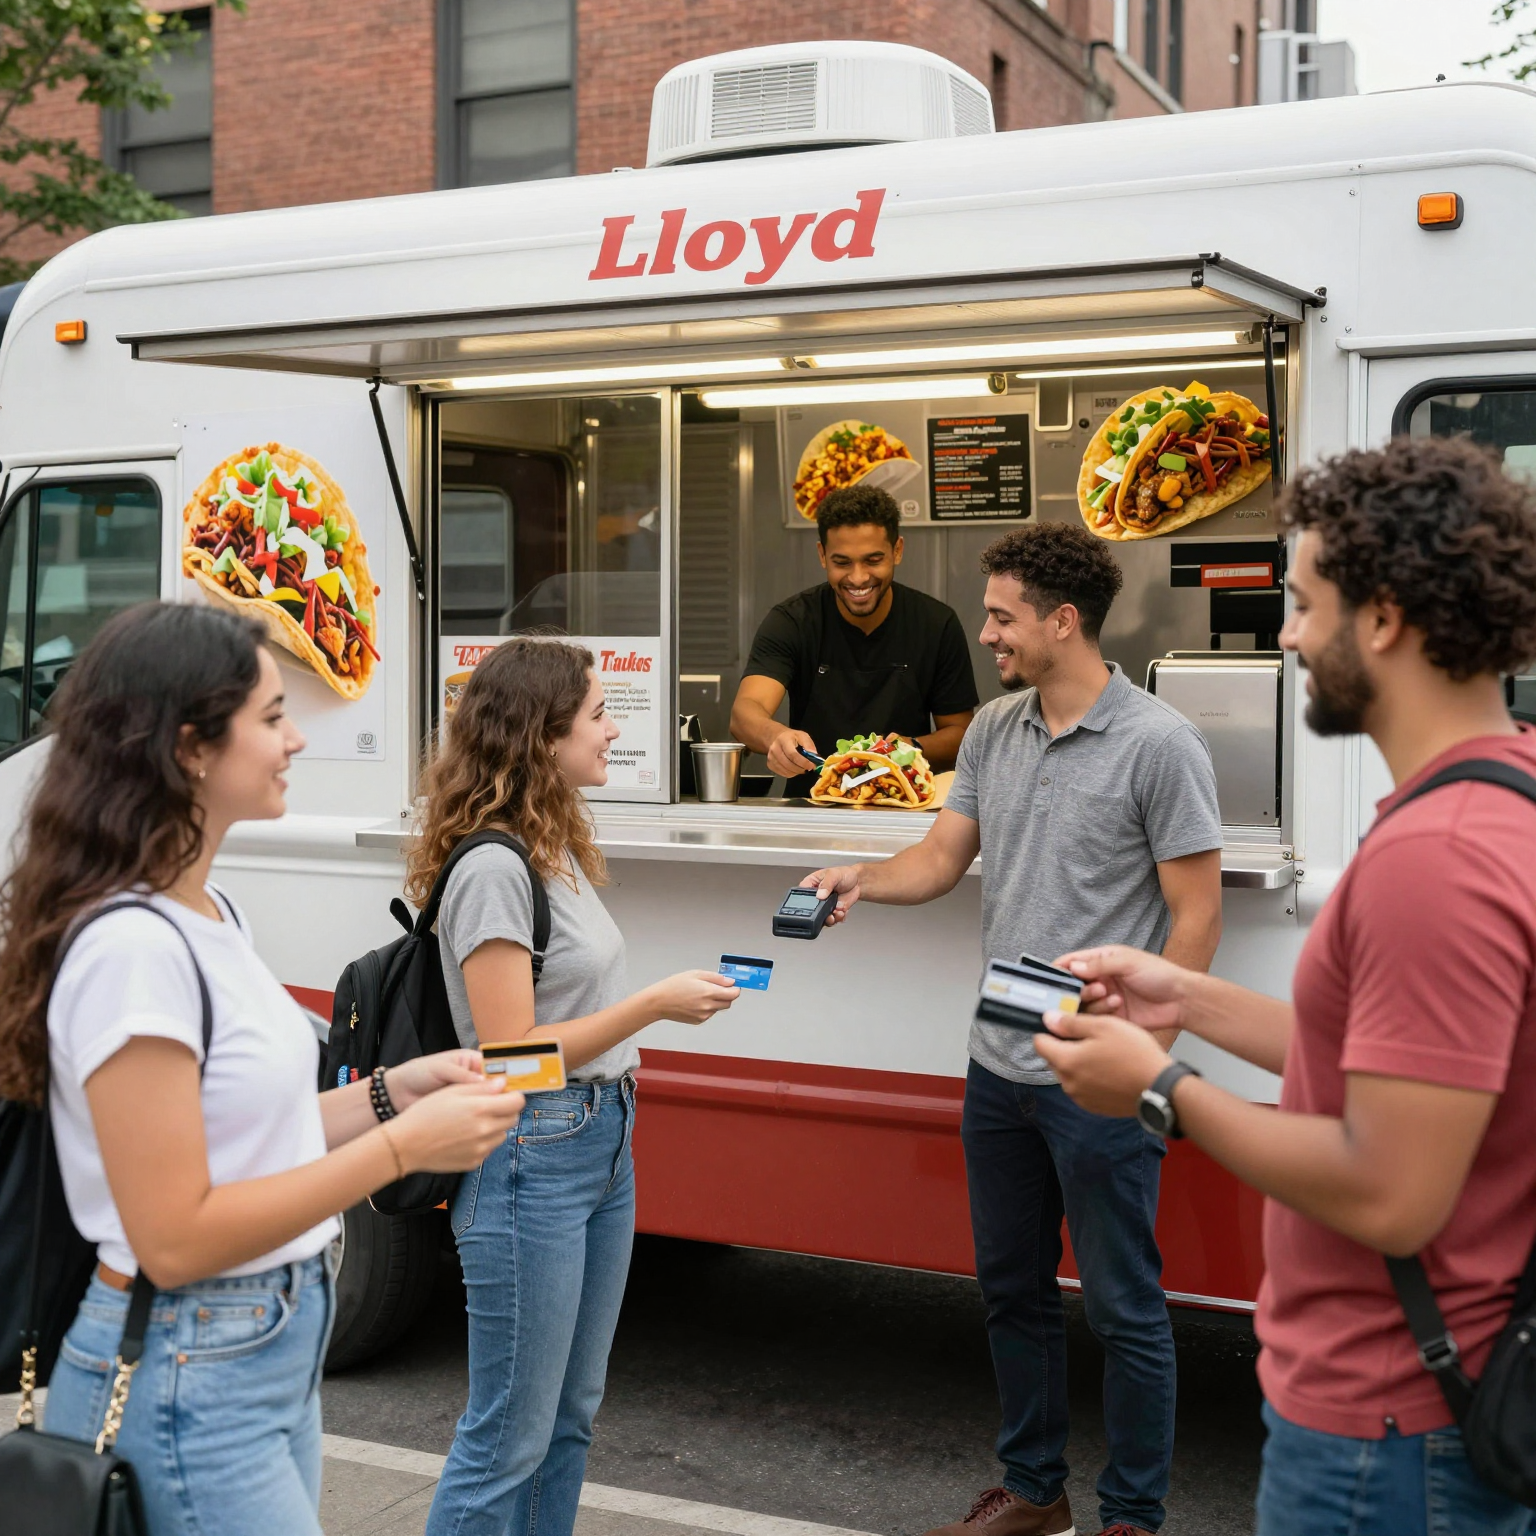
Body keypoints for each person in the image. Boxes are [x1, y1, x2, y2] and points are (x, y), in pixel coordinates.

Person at [1036, 438, 1536, 1536]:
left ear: (1387, 616)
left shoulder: (1434, 857)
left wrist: (1160, 1088)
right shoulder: (1510, 797)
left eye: (1305, 603)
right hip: (1445, 1406)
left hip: (1390, 1433)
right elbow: (1395, 1056)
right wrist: (1186, 996)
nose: (1292, 634)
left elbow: (1388, 1189)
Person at [0, 602, 524, 1536]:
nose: (295, 740)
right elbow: (175, 1235)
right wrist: (404, 1146)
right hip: (187, 1356)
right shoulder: (132, 948)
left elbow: (240, 1136)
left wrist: (385, 1092)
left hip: (256, 1346)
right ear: (191, 747)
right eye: (274, 716)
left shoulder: (208, 913)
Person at [804, 523, 1224, 1536]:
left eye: (1001, 616)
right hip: (999, 1064)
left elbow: (1198, 913)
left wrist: (1148, 1060)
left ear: (1062, 621)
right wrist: (862, 874)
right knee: (1012, 1292)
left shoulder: (1161, 744)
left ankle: (1132, 1515)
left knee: (1125, 1307)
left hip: (1100, 1078)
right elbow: (942, 859)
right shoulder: (994, 730)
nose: (986, 633)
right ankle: (1037, 1492)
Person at [415, 637, 741, 1536]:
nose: (613, 728)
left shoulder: (550, 843)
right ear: (539, 733)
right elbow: (510, 1055)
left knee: (568, 1421)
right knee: (506, 1438)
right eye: (598, 713)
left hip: (598, 1140)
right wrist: (650, 1007)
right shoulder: (492, 867)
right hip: (532, 1152)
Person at [729, 483, 978, 795]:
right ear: (822, 555)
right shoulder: (792, 621)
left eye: (873, 560)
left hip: (904, 804)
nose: (858, 578)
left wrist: (907, 748)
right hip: (811, 806)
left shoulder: (936, 623)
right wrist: (775, 736)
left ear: (897, 550)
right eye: (842, 562)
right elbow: (745, 712)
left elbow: (960, 733)